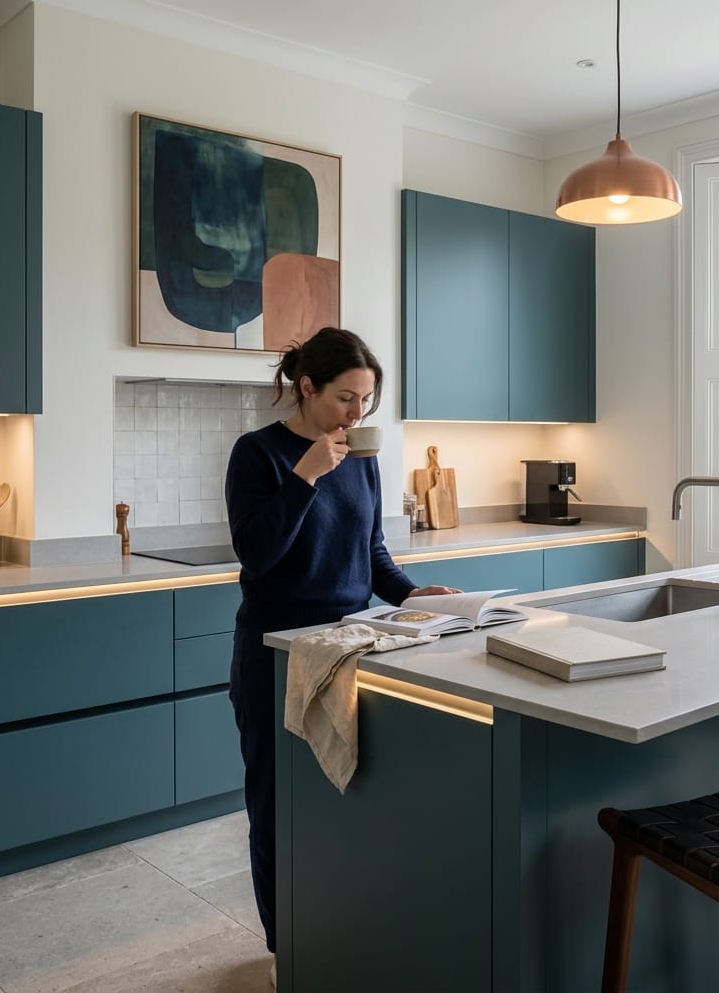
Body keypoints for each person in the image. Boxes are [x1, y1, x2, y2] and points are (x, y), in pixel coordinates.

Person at [224, 326, 458, 967]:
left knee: (344, 802)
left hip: (350, 649)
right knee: (276, 809)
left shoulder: (360, 458)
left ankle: (336, 941)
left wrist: (412, 594)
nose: (356, 415)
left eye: (366, 401)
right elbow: (257, 554)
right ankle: (288, 954)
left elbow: (371, 553)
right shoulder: (258, 454)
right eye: (345, 399)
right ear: (307, 387)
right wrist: (304, 476)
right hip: (276, 655)